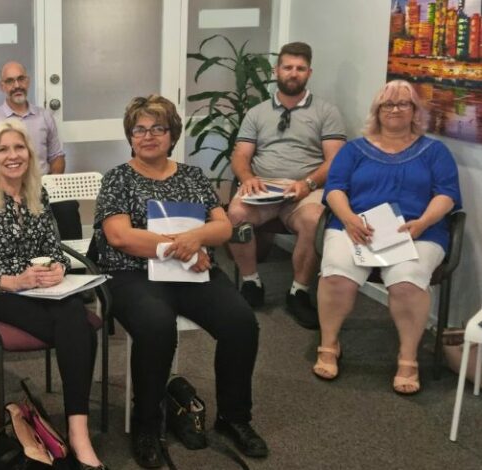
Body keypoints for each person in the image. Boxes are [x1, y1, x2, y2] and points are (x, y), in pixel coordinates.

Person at [95, 95, 267, 466]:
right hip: (131, 272)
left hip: (191, 269)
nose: (148, 136)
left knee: (241, 325)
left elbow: (222, 226)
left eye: (158, 128)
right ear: (130, 137)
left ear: (172, 134)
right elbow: (120, 236)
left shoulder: (192, 176)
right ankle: (146, 425)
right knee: (157, 328)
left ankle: (233, 419)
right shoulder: (118, 178)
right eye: (139, 129)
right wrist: (185, 244)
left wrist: (197, 241)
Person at [0, 119, 105, 470]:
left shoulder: (38, 194)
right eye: (3, 149)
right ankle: (78, 435)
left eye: (19, 148)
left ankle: (75, 431)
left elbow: (52, 247)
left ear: (29, 154)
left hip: (40, 289)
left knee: (73, 318)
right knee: (78, 327)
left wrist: (57, 268)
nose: (12, 155)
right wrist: (14, 281)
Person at [314, 80, 461, 395]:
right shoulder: (354, 149)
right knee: (337, 273)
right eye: (387, 104)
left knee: (407, 282)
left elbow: (447, 195)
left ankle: (408, 358)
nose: (395, 110)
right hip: (356, 226)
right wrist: (350, 219)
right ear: (377, 111)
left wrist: (423, 222)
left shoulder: (435, 151)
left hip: (417, 230)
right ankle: (329, 344)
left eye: (403, 104)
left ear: (414, 111)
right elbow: (335, 189)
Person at [226, 42, 347, 329]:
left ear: (309, 73)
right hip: (263, 189)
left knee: (314, 219)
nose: (293, 73)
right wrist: (248, 179)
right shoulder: (257, 113)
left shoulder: (326, 112)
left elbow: (335, 160)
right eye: (288, 67)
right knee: (235, 214)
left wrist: (308, 183)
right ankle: (251, 283)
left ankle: (299, 292)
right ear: (276, 70)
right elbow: (240, 155)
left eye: (300, 68)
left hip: (306, 191)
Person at [0, 61, 81, 240]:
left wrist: (50, 186)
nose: (16, 85)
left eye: (21, 79)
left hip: (42, 188)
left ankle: (73, 267)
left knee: (68, 208)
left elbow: (57, 157)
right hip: (7, 191)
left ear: (28, 81)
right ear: (2, 86)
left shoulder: (45, 117)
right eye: (10, 81)